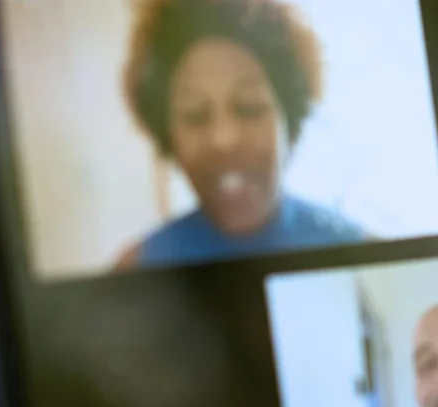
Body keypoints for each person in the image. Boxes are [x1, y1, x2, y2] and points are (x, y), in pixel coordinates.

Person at [116, 0, 364, 270]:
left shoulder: (360, 255)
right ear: (169, 137)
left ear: (288, 122)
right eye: (196, 116)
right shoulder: (138, 270)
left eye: (249, 108)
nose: (225, 140)